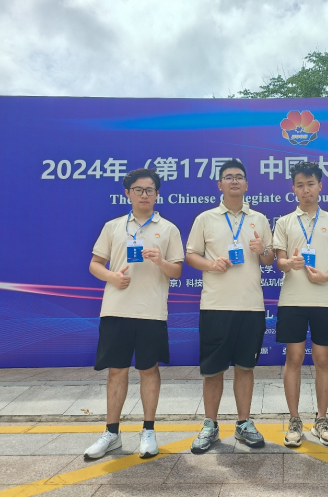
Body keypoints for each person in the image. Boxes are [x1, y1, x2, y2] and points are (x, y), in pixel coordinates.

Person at [84, 168, 184, 460]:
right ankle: (111, 433)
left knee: (149, 369)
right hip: (116, 309)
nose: (144, 195)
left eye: (150, 190)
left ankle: (148, 431)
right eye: (138, 190)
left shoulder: (168, 229)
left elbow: (177, 271)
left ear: (157, 194)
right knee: (116, 370)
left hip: (151, 312)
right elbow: (95, 264)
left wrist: (161, 261)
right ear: (127, 193)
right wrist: (112, 277)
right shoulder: (113, 226)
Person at [185, 159, 275, 454]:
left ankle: (243, 423)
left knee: (245, 367)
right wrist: (211, 264)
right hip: (216, 305)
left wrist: (263, 250)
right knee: (213, 370)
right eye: (228, 177)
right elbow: (191, 255)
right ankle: (210, 425)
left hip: (251, 306)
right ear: (220, 185)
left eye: (239, 176)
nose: (234, 181)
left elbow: (269, 259)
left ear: (247, 184)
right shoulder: (205, 218)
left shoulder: (259, 219)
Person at [273, 161, 328, 447]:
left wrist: (326, 276)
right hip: (292, 301)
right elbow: (279, 261)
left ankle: (321, 420)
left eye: (311, 184)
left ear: (320, 186)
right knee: (293, 359)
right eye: (300, 185)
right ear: (293, 189)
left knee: (322, 359)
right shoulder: (284, 222)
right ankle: (294, 420)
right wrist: (289, 263)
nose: (306, 190)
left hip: (325, 300)